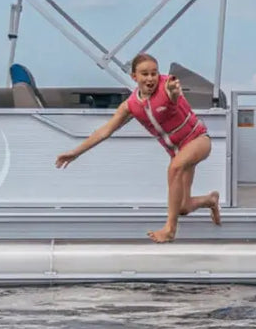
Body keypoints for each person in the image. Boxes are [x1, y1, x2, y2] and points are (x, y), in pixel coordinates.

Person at [54, 52, 220, 243]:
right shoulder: (131, 105)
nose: (150, 78)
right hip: (178, 152)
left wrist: (174, 91)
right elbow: (105, 131)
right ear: (134, 77)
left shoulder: (167, 86)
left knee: (174, 168)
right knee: (182, 207)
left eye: (154, 73)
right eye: (145, 74)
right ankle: (210, 200)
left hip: (198, 140)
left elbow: (173, 94)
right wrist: (75, 152)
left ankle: (169, 230)